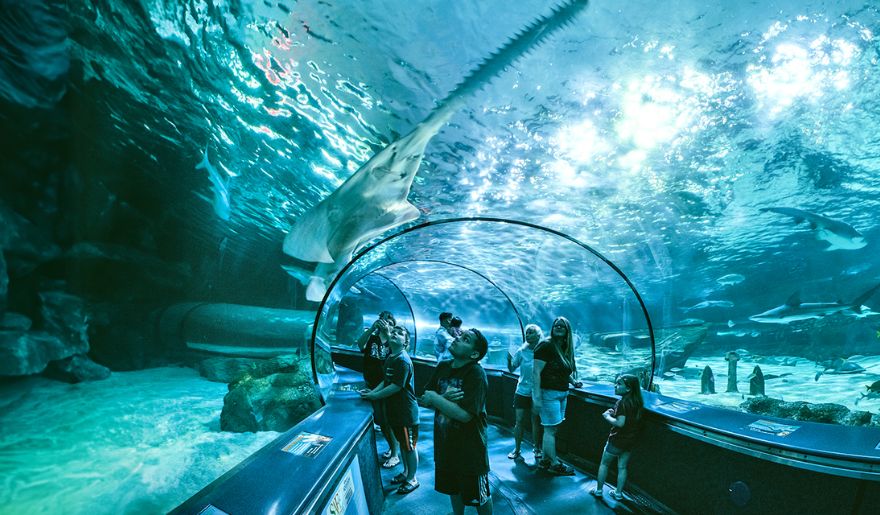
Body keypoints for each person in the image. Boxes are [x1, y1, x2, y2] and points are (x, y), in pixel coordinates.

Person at [420, 328, 493, 515]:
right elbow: (424, 398)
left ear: (474, 354)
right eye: (460, 336)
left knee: (479, 496)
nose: (457, 339)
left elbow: (465, 415)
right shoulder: (443, 366)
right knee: (453, 488)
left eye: (465, 339)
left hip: (470, 451)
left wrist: (437, 399)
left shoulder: (476, 374)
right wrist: (442, 397)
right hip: (445, 446)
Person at [360, 326, 420, 494]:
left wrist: (375, 397)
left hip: (406, 412)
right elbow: (386, 380)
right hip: (396, 410)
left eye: (400, 333)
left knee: (409, 447)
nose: (394, 334)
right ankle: (407, 472)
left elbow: (395, 387)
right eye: (393, 332)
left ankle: (412, 479)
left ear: (406, 342)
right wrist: (372, 392)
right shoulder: (391, 356)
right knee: (403, 444)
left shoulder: (402, 360)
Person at [532, 316, 582, 476]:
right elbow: (536, 372)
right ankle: (554, 464)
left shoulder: (564, 347)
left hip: (562, 393)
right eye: (556, 325)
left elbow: (562, 370)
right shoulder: (545, 345)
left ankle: (545, 461)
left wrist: (573, 382)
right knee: (550, 430)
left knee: (553, 428)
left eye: (562, 326)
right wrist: (536, 397)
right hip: (549, 394)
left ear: (568, 330)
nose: (559, 327)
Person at [356, 311, 399, 468]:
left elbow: (396, 354)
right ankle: (392, 448)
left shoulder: (394, 341)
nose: (385, 323)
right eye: (382, 320)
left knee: (388, 421)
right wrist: (371, 329)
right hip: (371, 383)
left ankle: (395, 454)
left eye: (389, 321)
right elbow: (360, 344)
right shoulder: (372, 337)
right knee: (381, 421)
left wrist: (388, 334)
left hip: (385, 385)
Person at [591, 374, 644, 501]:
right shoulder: (637, 402)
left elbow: (620, 423)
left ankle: (598, 490)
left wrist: (607, 416)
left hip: (617, 440)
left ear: (628, 389)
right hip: (630, 441)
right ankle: (618, 493)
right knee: (622, 467)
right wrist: (614, 412)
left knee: (604, 464)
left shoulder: (622, 403)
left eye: (619, 384)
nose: (616, 385)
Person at [506, 324, 544, 462]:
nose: (527, 335)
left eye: (531, 333)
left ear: (538, 335)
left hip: (537, 391)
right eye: (526, 333)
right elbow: (511, 369)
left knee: (536, 421)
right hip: (522, 390)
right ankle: (517, 449)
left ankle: (537, 448)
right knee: (519, 421)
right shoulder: (521, 351)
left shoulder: (543, 351)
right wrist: (508, 357)